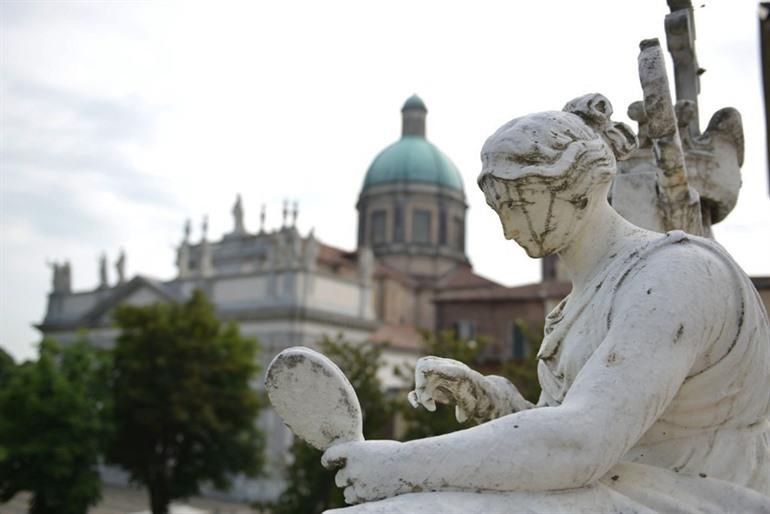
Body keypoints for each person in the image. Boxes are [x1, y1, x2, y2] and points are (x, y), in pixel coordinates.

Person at [321, 94, 770, 513]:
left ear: (578, 184)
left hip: (691, 499)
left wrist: (399, 464)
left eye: (520, 202)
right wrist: (491, 401)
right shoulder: (575, 306)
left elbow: (579, 444)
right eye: (499, 209)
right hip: (610, 489)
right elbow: (565, 430)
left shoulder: (675, 274)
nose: (507, 227)